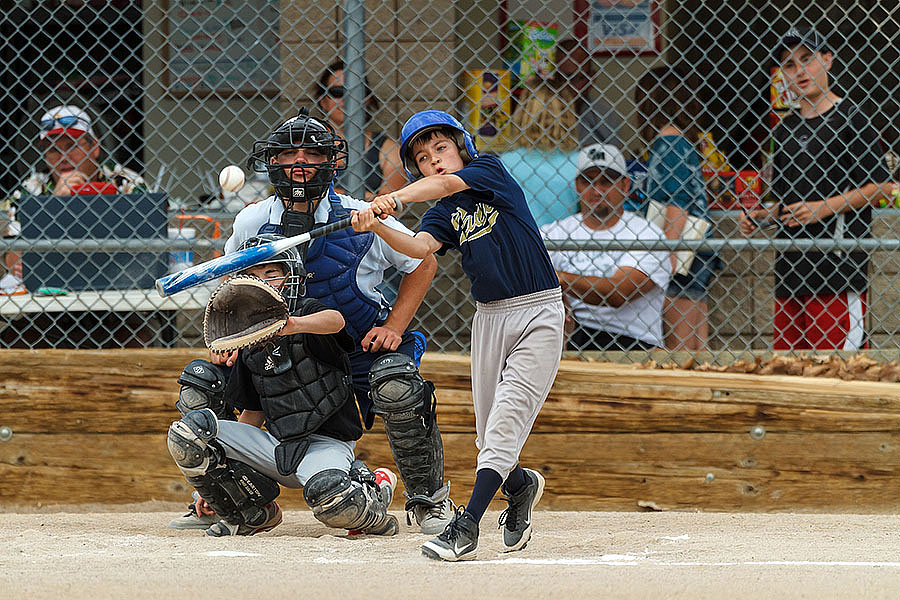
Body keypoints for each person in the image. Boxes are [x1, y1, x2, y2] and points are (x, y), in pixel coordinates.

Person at [217, 108, 453, 534]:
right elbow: (236, 282)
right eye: (290, 155)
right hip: (285, 346)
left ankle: (428, 499)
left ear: (333, 161)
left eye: (312, 153)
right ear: (271, 163)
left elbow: (423, 262)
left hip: (359, 346)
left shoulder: (358, 213)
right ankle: (230, 500)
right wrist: (233, 338)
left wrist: (396, 326)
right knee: (209, 378)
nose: (301, 163)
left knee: (398, 386)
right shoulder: (253, 219)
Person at [351, 110, 565, 561]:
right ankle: (520, 485)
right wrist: (377, 224)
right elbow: (419, 248)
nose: (435, 161)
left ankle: (466, 526)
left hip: (538, 311)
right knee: (489, 438)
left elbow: (447, 184)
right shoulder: (444, 213)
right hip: (489, 319)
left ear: (461, 146)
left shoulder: (488, 171)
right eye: (424, 157)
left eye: (441, 148)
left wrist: (393, 197)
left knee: (505, 423)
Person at [167, 236, 399, 537]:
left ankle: (374, 490)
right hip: (277, 447)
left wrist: (292, 325)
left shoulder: (309, 313)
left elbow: (336, 321)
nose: (263, 282)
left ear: (290, 278)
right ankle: (251, 511)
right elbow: (253, 414)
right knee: (190, 432)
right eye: (253, 276)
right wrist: (211, 487)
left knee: (334, 503)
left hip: (326, 446)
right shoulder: (248, 340)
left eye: (271, 274)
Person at [740, 27, 891, 351]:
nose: (799, 71)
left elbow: (880, 185)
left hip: (837, 269)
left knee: (840, 371)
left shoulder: (852, 117)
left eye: (807, 60)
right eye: (790, 65)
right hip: (791, 271)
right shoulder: (785, 130)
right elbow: (785, 201)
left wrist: (824, 207)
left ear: (827, 60)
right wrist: (760, 217)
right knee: (790, 370)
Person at [1, 104, 145, 295]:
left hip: (121, 289)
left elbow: (149, 248)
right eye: (53, 150)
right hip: (48, 299)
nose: (63, 157)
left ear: (94, 147)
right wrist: (55, 204)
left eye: (72, 146)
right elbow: (15, 261)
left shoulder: (125, 182)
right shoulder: (31, 189)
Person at [541, 143, 671, 351]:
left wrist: (560, 280)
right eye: (588, 181)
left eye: (606, 181)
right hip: (578, 338)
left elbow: (619, 293)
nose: (597, 190)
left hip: (636, 343)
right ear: (577, 186)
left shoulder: (647, 234)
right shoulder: (555, 233)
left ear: (625, 185)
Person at [635, 66, 718, 351]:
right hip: (695, 252)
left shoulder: (668, 143)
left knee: (678, 346)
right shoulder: (683, 142)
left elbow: (677, 201)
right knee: (697, 345)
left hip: (679, 253)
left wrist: (667, 254)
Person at [315, 60, 406, 200]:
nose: (346, 99)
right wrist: (367, 199)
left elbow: (393, 207)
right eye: (337, 92)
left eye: (355, 91)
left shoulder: (388, 149)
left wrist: (332, 195)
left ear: (366, 99)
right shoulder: (306, 145)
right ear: (323, 101)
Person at [499, 82, 580, 226]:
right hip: (567, 244)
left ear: (523, 114)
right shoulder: (579, 162)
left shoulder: (506, 164)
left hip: (522, 245)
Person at [550, 38, 623, 147]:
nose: (565, 86)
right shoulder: (539, 114)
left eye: (573, 79)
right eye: (559, 78)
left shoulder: (605, 117)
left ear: (591, 79)